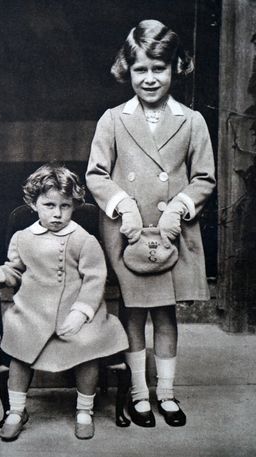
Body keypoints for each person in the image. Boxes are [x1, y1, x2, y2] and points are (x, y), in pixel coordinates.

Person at [86, 19, 216, 428]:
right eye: (141, 69)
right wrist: (122, 204)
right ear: (127, 70)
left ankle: (167, 393)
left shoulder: (192, 120)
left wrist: (180, 205)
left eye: (159, 68)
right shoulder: (113, 119)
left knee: (165, 314)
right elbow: (96, 174)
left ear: (176, 67)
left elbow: (205, 178)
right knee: (133, 312)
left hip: (170, 233)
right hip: (129, 233)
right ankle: (140, 394)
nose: (150, 78)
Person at [0, 164, 128, 441]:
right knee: (20, 348)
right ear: (34, 203)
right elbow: (14, 270)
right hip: (34, 311)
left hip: (77, 312)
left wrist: (82, 313)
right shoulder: (23, 238)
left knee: (87, 348)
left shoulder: (84, 240)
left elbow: (95, 279)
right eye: (49, 205)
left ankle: (85, 410)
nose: (57, 213)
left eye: (65, 206)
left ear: (74, 206)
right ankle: (16, 410)